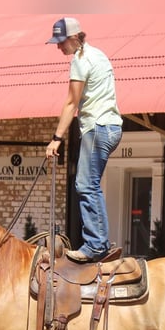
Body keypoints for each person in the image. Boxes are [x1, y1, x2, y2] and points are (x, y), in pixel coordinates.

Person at [45, 17, 123, 263]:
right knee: (89, 184)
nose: (59, 48)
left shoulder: (80, 60)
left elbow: (71, 103)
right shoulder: (99, 54)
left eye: (61, 42)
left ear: (75, 37)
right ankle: (98, 242)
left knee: (85, 184)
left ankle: (96, 245)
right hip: (110, 127)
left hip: (97, 128)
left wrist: (56, 138)